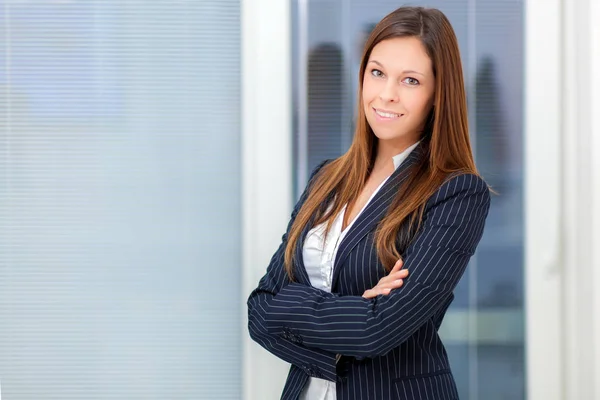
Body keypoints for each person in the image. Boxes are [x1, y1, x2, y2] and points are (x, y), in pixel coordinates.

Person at [247, 6, 491, 400]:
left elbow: (380, 328)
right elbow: (259, 311)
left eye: (410, 80)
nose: (387, 94)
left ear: (436, 95)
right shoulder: (326, 178)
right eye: (377, 73)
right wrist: (349, 318)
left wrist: (292, 304)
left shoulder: (456, 193)